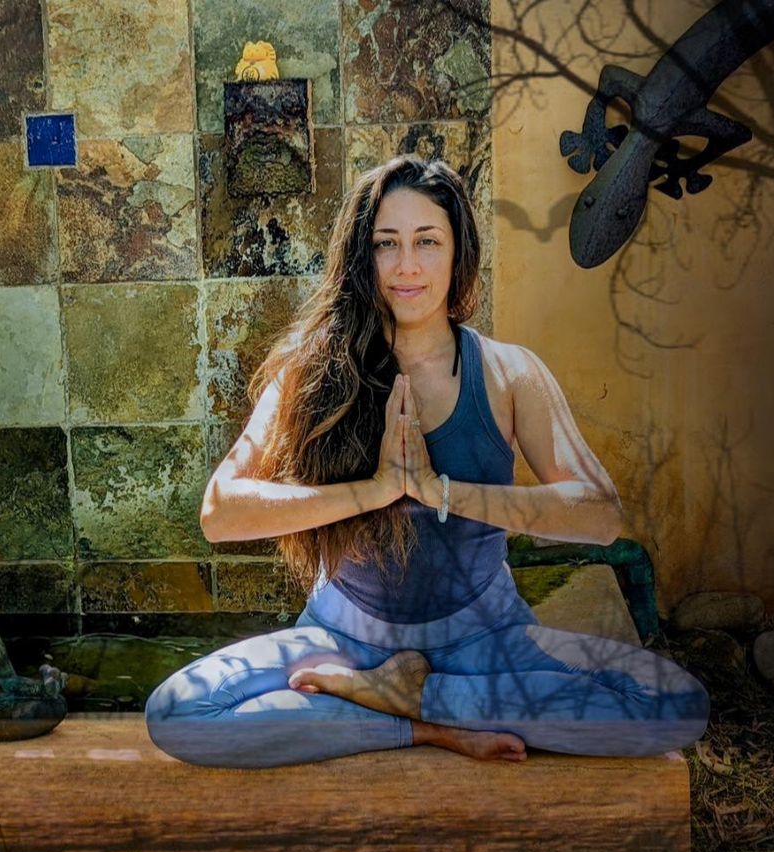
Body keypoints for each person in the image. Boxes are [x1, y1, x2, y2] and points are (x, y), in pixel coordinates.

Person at [144, 154, 710, 769]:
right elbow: (220, 512)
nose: (407, 266)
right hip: (343, 639)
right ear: (362, 256)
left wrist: (439, 491)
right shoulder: (311, 368)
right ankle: (424, 724)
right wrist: (379, 488)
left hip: (485, 637)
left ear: (458, 250)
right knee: (180, 712)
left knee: (674, 704)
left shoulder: (509, 372)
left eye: (427, 241)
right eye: (386, 243)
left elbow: (600, 516)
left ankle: (420, 698)